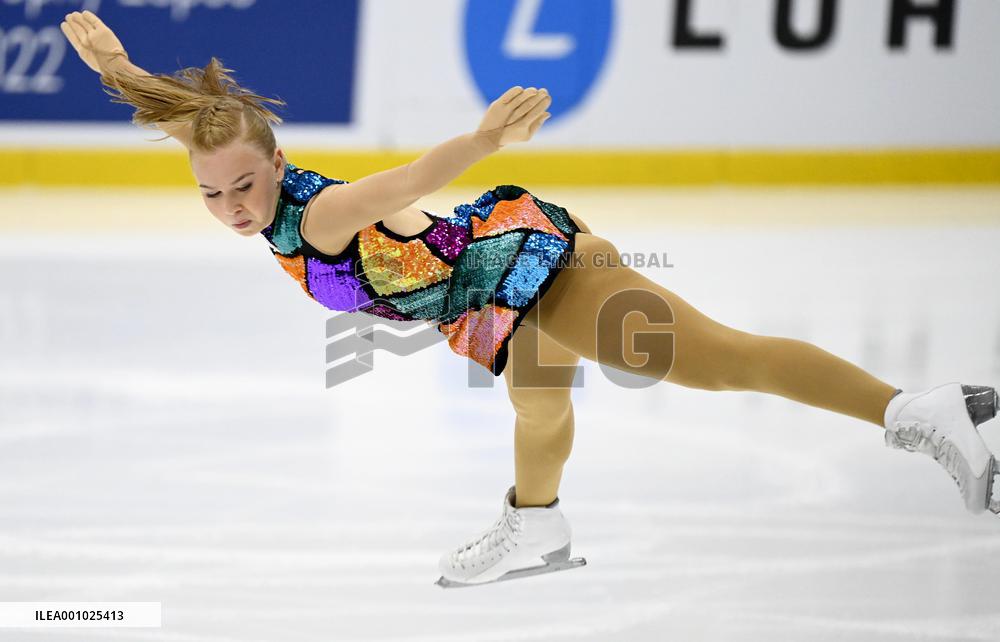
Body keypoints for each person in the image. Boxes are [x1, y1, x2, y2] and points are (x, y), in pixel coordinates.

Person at [61, 10, 999, 589]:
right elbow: (196, 119)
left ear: (276, 163)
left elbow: (410, 177)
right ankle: (538, 523)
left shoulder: (322, 217)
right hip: (490, 289)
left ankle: (922, 412)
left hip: (526, 272)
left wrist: (478, 142)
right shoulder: (244, 152)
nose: (230, 208)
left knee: (724, 362)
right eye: (211, 195)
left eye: (243, 189)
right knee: (537, 409)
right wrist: (116, 68)